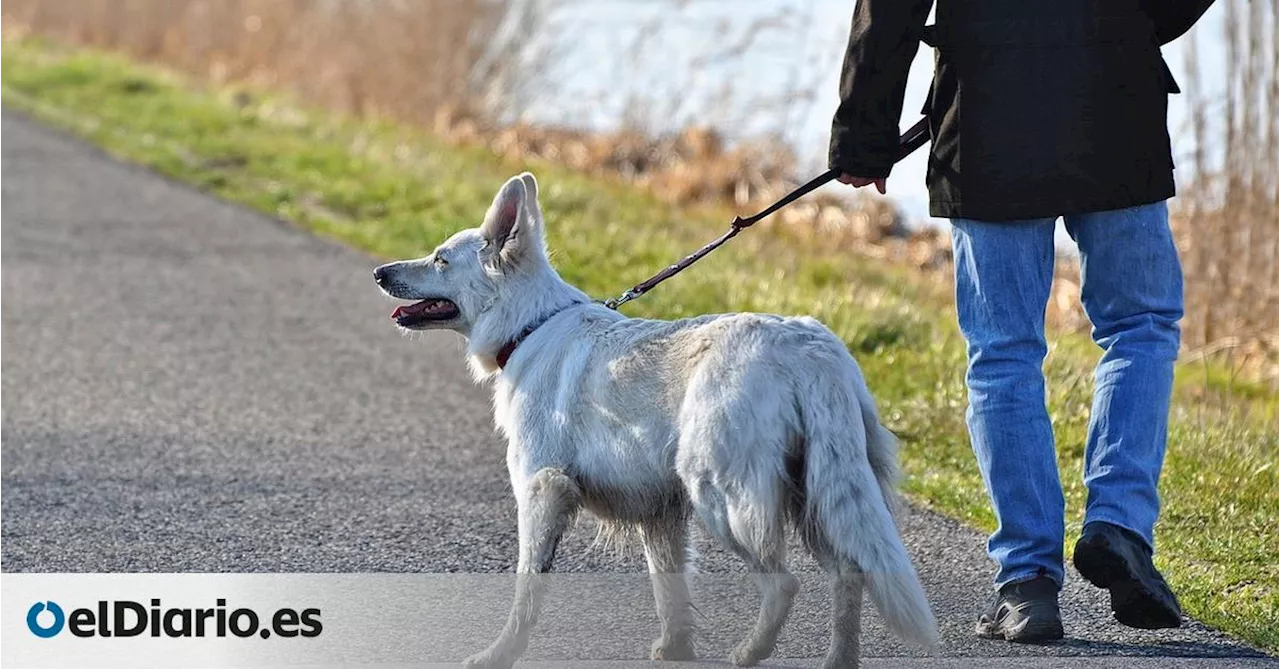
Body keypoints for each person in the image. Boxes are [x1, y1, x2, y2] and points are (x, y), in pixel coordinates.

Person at [830, 0, 1216, 643]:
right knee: (1141, 326)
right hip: (1113, 95)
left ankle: (1027, 583)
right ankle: (1117, 525)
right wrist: (1128, 22)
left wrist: (864, 136)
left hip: (988, 112)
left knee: (1003, 352)